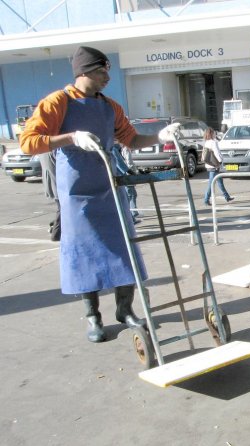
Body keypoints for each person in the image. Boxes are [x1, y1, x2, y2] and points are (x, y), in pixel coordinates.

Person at [20, 46, 180, 343]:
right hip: (77, 193)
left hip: (110, 186)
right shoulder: (58, 102)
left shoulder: (110, 107)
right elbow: (28, 142)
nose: (107, 76)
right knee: (84, 256)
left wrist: (159, 136)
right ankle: (93, 317)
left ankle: (125, 310)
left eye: (107, 70)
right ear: (83, 72)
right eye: (100, 71)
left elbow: (130, 139)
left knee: (125, 250)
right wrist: (71, 137)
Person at [202, 127, 234, 206]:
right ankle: (206, 199)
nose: (215, 134)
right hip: (214, 165)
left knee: (220, 181)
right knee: (211, 184)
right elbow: (216, 153)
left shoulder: (206, 142)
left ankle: (227, 196)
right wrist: (220, 161)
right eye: (213, 132)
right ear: (211, 134)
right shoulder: (213, 142)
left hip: (209, 165)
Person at [38, 151, 61, 241]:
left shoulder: (43, 151)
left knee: (61, 209)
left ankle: (54, 228)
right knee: (62, 210)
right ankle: (56, 233)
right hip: (57, 184)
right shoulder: (53, 150)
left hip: (51, 183)